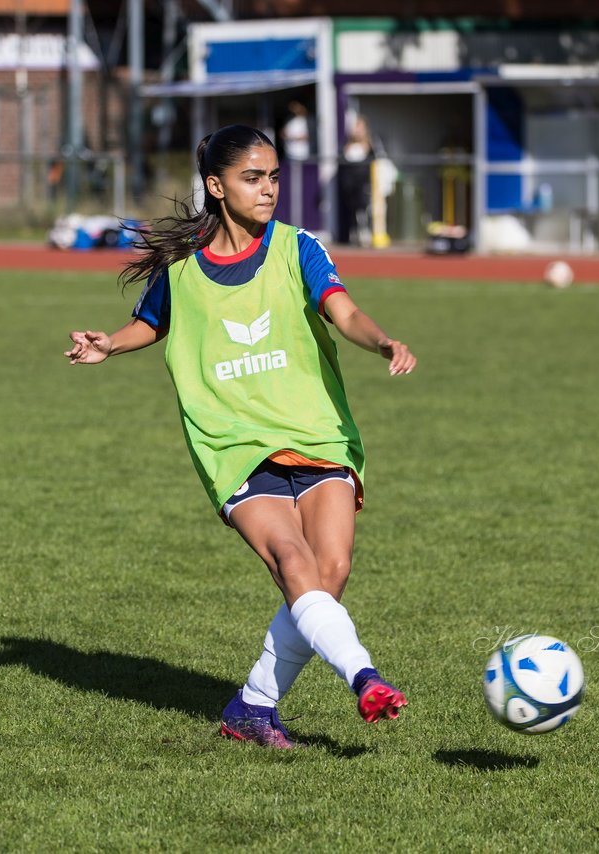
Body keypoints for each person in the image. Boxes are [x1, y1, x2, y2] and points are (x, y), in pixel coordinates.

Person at [65, 125, 417, 749]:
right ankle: (365, 677)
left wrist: (382, 340)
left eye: (274, 176)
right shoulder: (180, 269)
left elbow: (344, 311)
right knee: (293, 562)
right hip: (231, 442)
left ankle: (252, 705)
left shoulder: (297, 247)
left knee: (328, 574)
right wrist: (110, 345)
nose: (269, 189)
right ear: (216, 186)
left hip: (315, 431)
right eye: (254, 178)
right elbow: (152, 322)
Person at [338, 115, 374, 246]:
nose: (357, 130)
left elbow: (373, 158)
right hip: (349, 183)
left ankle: (365, 233)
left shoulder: (369, 144)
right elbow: (342, 158)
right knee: (351, 209)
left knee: (363, 208)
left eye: (360, 127)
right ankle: (352, 235)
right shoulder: (347, 144)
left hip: (363, 182)